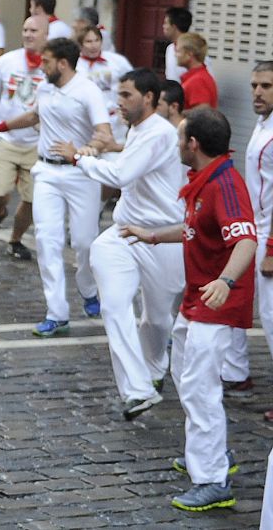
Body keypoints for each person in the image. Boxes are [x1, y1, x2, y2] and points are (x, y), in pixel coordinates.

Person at [122, 108, 256, 512]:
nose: (176, 143)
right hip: (198, 300)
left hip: (215, 303)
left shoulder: (226, 185)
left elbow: (245, 240)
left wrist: (225, 281)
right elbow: (198, 229)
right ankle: (210, 454)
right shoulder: (207, 179)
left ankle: (213, 478)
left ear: (192, 145)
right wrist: (154, 236)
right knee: (183, 374)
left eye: (180, 138)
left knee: (199, 387)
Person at [54, 68, 185, 420]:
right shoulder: (138, 130)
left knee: (157, 320)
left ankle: (154, 373)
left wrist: (79, 158)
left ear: (149, 97)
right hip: (123, 233)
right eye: (119, 94)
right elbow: (123, 170)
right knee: (114, 306)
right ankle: (138, 390)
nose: (119, 102)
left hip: (164, 237)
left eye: (127, 95)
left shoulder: (159, 133)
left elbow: (121, 174)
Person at [0, 38, 111, 336]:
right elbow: (34, 116)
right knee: (47, 240)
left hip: (80, 174)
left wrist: (84, 150)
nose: (40, 66)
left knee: (84, 242)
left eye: (45, 61)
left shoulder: (87, 91)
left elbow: (104, 134)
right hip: (45, 171)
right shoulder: (44, 88)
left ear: (62, 63)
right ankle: (57, 313)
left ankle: (88, 289)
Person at [0, 15, 48, 260]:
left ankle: (15, 240)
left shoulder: (52, 65)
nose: (28, 34)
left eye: (34, 31)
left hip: (37, 144)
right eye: (25, 29)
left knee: (32, 199)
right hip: (5, 139)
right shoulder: (8, 61)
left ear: (46, 35)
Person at [243, 61, 273, 417]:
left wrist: (271, 251)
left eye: (266, 86)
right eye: (254, 86)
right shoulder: (261, 122)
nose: (257, 93)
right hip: (255, 229)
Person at [75, 25, 132, 144]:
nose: (94, 45)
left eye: (97, 40)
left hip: (115, 120)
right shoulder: (76, 65)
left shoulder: (117, 61)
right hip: (87, 121)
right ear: (81, 44)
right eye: (89, 41)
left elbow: (133, 84)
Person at [176, 32, 217, 109]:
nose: (175, 55)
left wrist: (175, 113)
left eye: (178, 51)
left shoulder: (197, 80)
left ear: (189, 54)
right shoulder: (199, 77)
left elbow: (202, 113)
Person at [163, 6, 191, 82]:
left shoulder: (195, 49)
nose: (163, 26)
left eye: (165, 23)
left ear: (174, 27)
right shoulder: (170, 48)